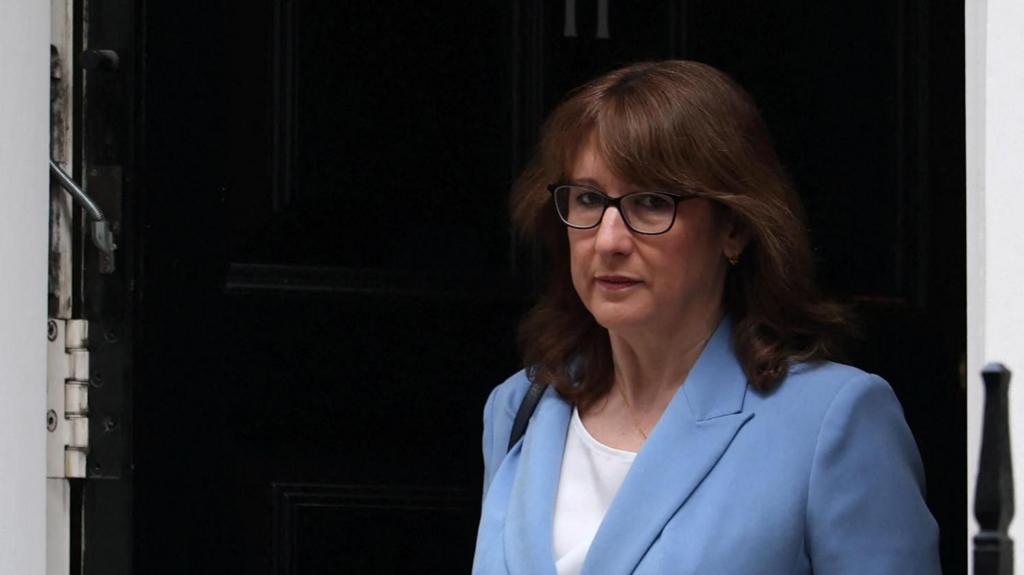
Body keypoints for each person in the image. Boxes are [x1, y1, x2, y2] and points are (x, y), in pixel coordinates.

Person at [472, 60, 940, 574]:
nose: (607, 240)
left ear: (734, 228)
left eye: (650, 202)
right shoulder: (521, 407)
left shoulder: (832, 420)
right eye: (587, 199)